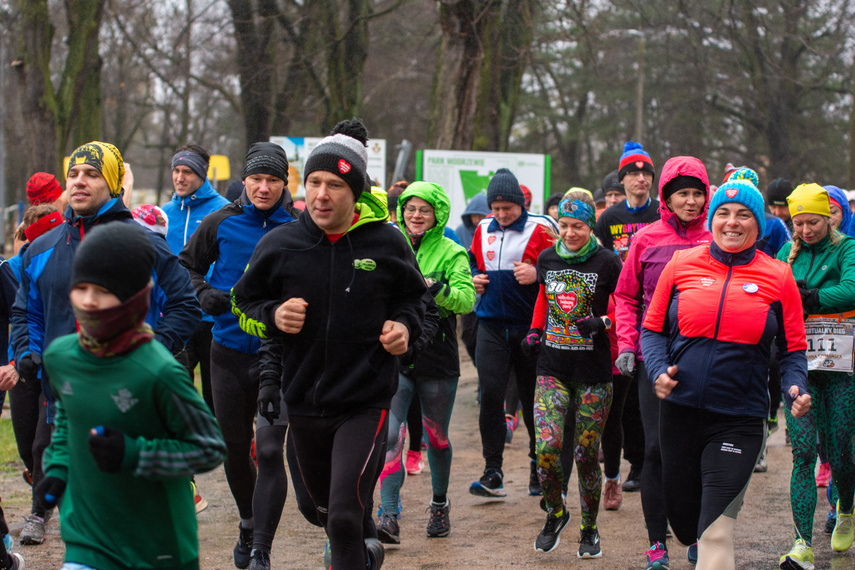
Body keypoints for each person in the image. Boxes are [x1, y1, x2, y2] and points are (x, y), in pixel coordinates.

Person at [232, 119, 426, 570]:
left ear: (355, 192)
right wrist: (273, 316)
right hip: (301, 403)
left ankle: (354, 545)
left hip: (365, 400)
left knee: (342, 515)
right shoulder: (281, 244)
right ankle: (364, 552)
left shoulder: (387, 243)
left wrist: (405, 329)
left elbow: (419, 303)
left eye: (335, 185)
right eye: (314, 182)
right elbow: (242, 302)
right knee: (317, 511)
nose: (321, 194)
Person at [10, 141, 201, 545]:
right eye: (74, 174)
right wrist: (28, 352)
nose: (80, 181)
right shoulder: (40, 249)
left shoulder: (144, 244)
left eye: (92, 174)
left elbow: (186, 306)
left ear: (113, 184)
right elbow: (26, 312)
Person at [35, 222, 226, 570]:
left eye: (104, 291)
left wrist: (135, 454)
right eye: (81, 287)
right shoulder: (60, 357)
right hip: (86, 539)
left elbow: (209, 448)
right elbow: (67, 416)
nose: (89, 301)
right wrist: (59, 468)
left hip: (156, 546)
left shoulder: (159, 371)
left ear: (135, 298)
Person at [642, 178, 810, 570]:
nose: (732, 222)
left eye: (744, 215)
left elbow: (793, 349)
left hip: (740, 418)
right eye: (723, 213)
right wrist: (656, 372)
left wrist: (793, 386)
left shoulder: (778, 277)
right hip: (680, 413)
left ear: (759, 224)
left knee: (715, 532)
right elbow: (651, 330)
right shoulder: (682, 265)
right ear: (712, 219)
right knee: (686, 526)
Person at [179, 142, 297, 569]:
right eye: (256, 180)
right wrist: (203, 292)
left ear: (286, 183)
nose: (263, 188)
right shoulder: (219, 223)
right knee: (234, 448)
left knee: (268, 451)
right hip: (226, 352)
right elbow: (184, 266)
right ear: (244, 182)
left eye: (272, 180)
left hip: (281, 357)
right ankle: (248, 522)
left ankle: (261, 548)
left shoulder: (300, 228)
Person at [613, 156, 713, 568]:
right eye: (681, 194)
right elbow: (626, 297)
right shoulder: (646, 239)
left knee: (696, 451)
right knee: (655, 450)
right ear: (666, 198)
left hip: (706, 359)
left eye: (697, 193)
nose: (690, 201)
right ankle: (657, 542)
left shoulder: (718, 236)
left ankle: (696, 535)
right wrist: (625, 343)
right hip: (653, 358)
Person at [376, 181, 475, 544]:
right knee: (391, 436)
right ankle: (388, 514)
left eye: (424, 210)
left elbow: (466, 301)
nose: (415, 216)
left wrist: (437, 288)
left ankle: (439, 503)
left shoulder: (452, 251)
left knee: (437, 439)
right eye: (410, 208)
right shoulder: (390, 243)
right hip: (397, 356)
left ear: (438, 214)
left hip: (438, 356)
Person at [524, 191, 622, 558]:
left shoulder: (607, 261)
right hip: (552, 369)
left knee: (585, 454)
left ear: (590, 226)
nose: (569, 232)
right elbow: (543, 299)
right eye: (563, 225)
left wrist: (604, 322)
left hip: (594, 373)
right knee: (547, 449)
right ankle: (556, 513)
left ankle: (590, 529)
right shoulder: (547, 258)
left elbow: (624, 306)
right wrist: (535, 331)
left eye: (577, 226)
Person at [777, 183, 855, 569]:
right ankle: (801, 541)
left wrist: (811, 299)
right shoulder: (785, 254)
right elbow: (774, 293)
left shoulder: (846, 249)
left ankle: (845, 508)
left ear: (828, 218)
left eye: (813, 222)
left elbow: (852, 289)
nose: (805, 231)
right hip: (799, 367)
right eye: (799, 223)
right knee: (804, 454)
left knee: (840, 451)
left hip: (841, 369)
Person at [466, 168, 556, 498]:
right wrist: (474, 278)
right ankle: (493, 471)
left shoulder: (542, 227)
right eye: (496, 208)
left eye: (508, 208)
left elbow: (563, 263)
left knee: (534, 401)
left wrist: (538, 273)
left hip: (529, 328)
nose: (502, 214)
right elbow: (473, 264)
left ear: (520, 204)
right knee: (490, 396)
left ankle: (538, 465)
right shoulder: (482, 230)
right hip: (490, 325)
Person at [162, 144, 229, 442]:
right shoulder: (164, 213)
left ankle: (230, 441)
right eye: (176, 171)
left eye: (187, 171)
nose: (180, 177)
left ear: (202, 175)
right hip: (176, 315)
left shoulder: (223, 210)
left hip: (211, 316)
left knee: (216, 397)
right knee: (177, 392)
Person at [594, 141, 660, 261]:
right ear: (622, 179)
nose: (641, 179)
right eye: (634, 174)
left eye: (646, 173)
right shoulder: (608, 217)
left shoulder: (663, 212)